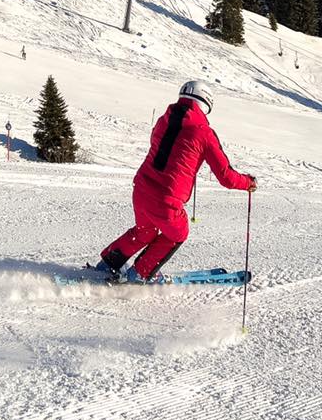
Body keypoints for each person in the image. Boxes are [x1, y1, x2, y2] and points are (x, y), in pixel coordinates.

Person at [96, 80, 255, 284]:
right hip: (166, 200)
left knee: (145, 231)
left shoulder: (164, 120)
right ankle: (140, 273)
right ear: (206, 104)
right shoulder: (203, 132)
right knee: (178, 231)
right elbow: (226, 176)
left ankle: (108, 263)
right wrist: (248, 183)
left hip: (142, 189)